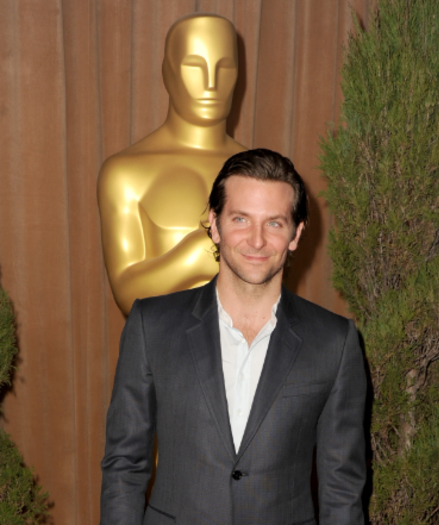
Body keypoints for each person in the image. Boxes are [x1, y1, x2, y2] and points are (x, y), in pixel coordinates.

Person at [101, 149, 367, 525]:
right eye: (240, 219)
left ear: (296, 233)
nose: (256, 240)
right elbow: (124, 465)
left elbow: (342, 489)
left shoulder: (334, 343)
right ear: (215, 224)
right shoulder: (152, 325)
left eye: (274, 223)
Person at [98, 14, 246, 315]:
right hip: (164, 355)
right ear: (168, 73)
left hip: (251, 354)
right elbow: (128, 293)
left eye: (225, 67)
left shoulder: (260, 173)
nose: (211, 83)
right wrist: (201, 253)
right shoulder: (126, 173)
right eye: (194, 66)